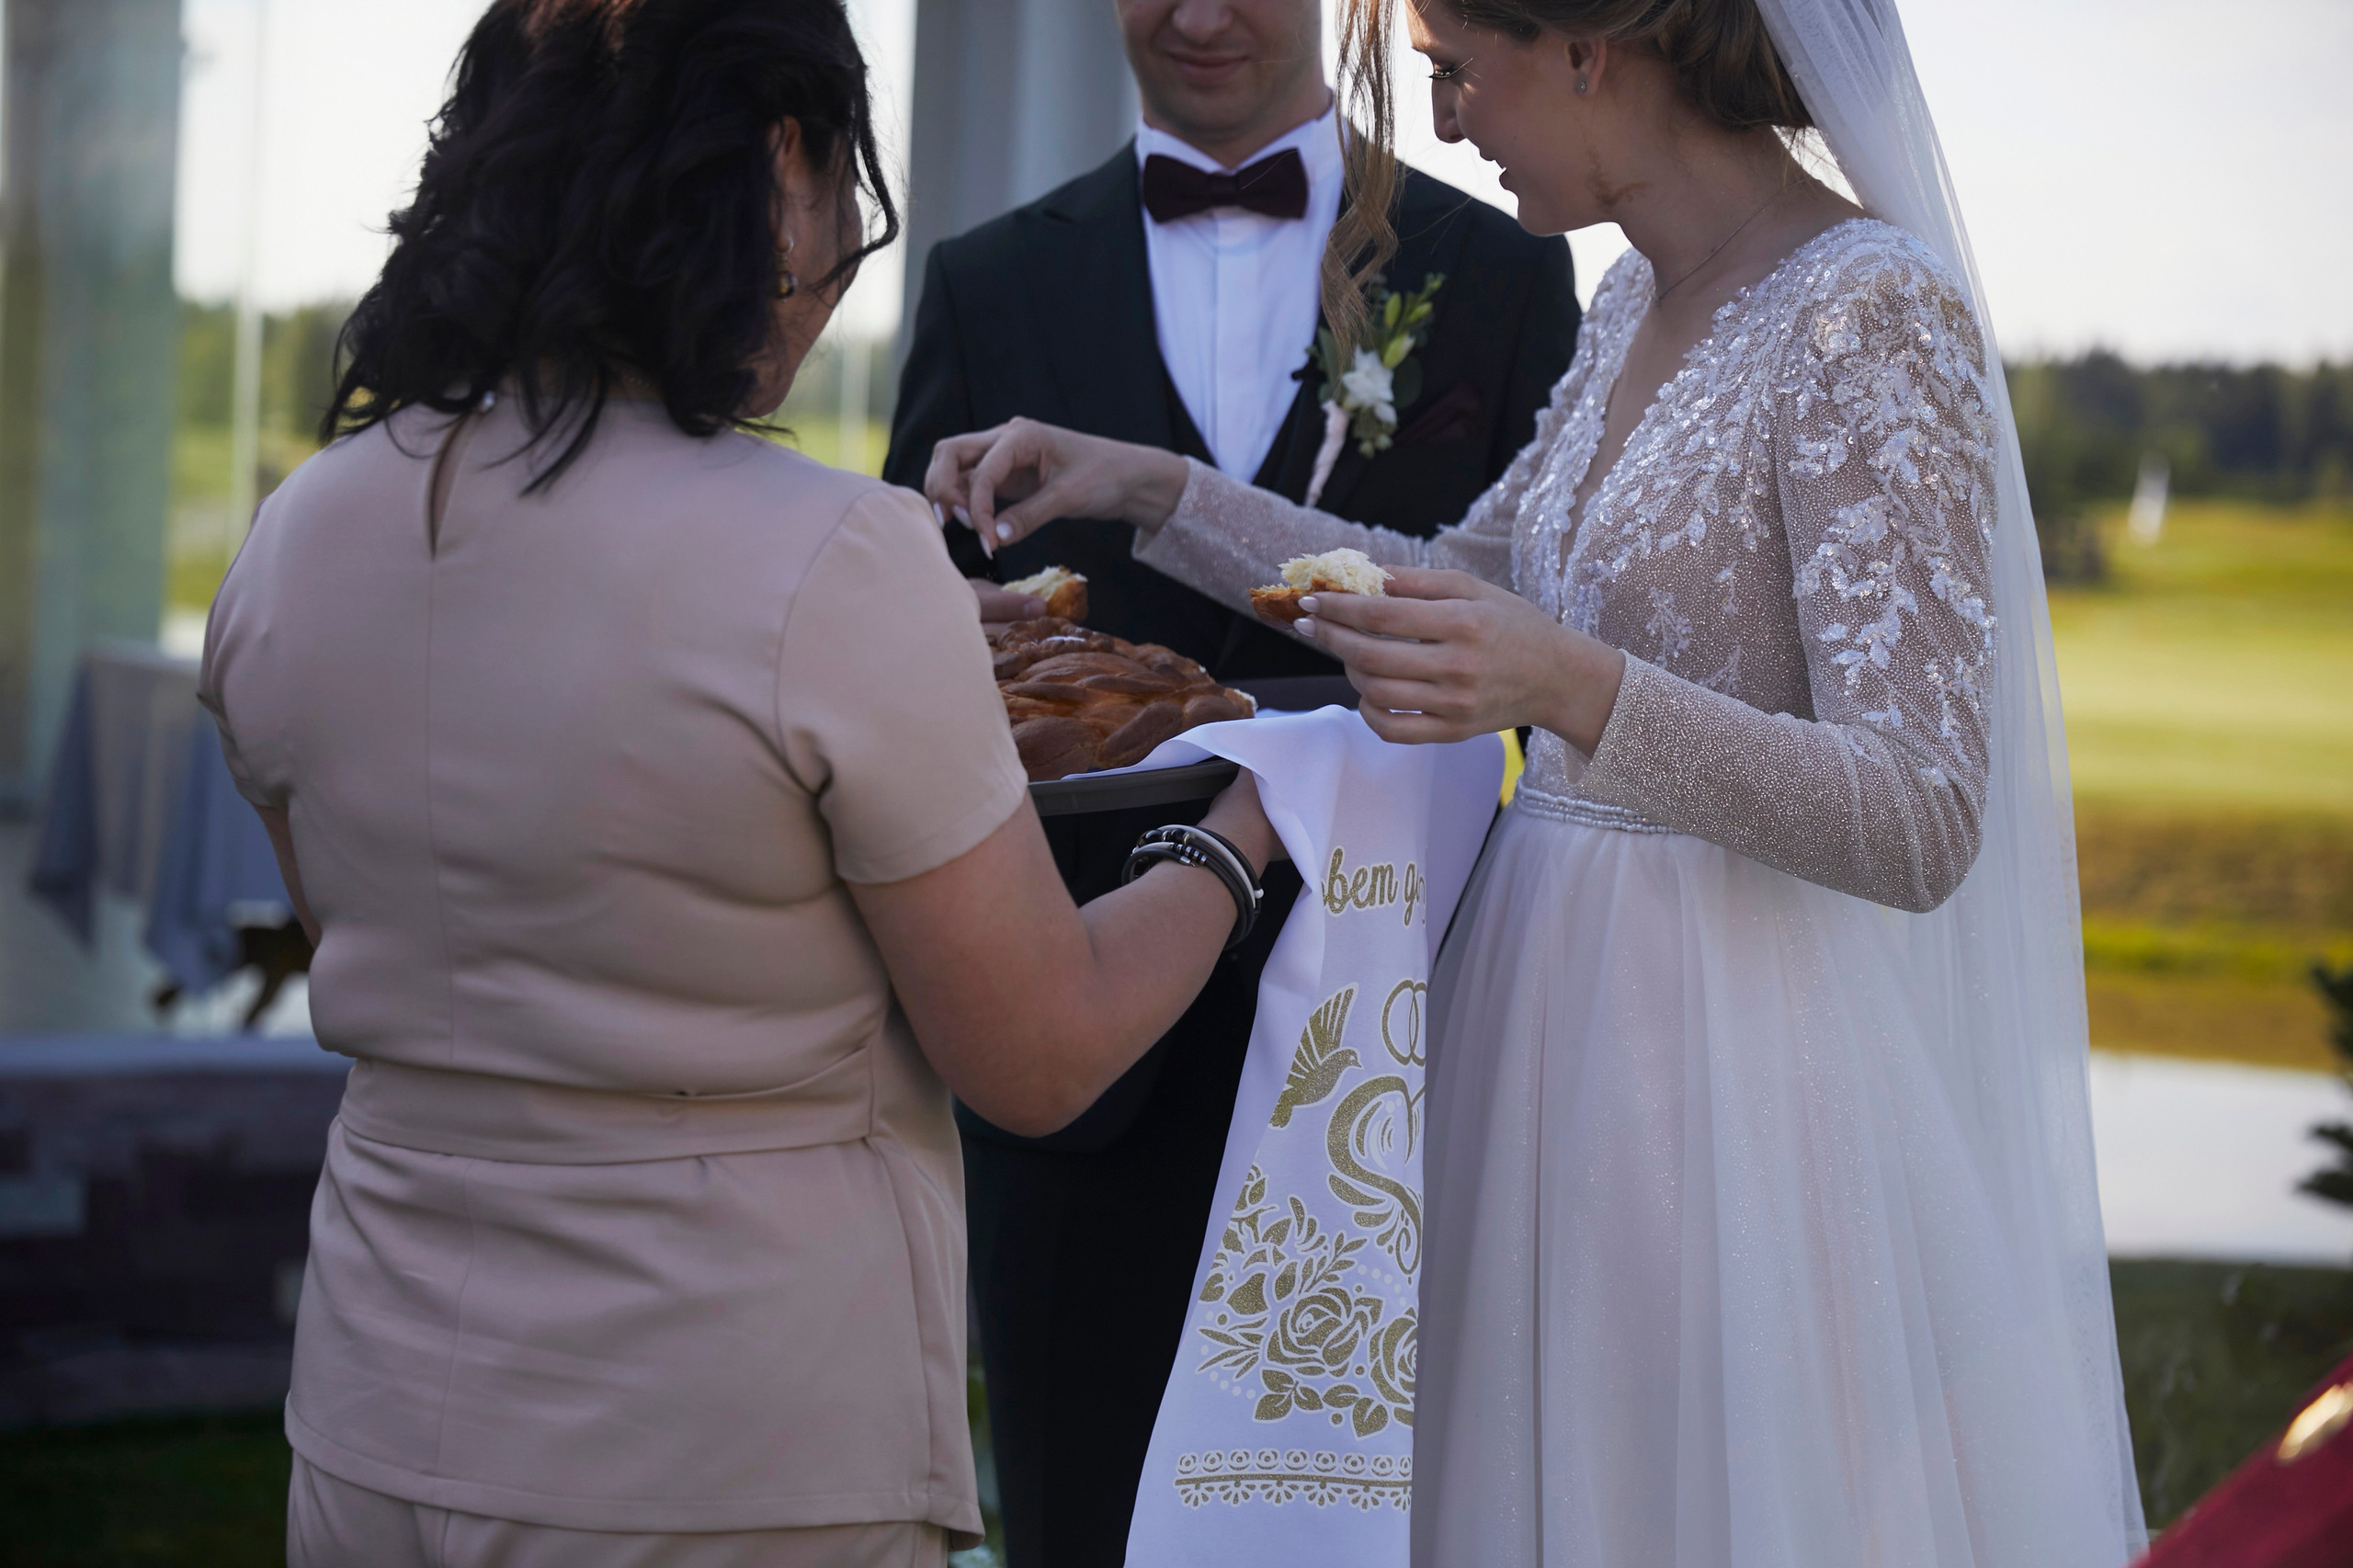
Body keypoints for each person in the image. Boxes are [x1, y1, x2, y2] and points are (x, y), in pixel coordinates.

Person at [926, 0, 2151, 1561]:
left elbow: (1920, 809)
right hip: (1534, 1034)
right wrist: (1147, 488)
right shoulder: (1641, 288)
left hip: (1730, 1091)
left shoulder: (1866, 313)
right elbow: (1442, 578)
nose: (1441, 125)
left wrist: (1571, 686)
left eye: (1455, 70)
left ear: (1587, 45)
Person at [196, 4, 1280, 1564]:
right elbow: (1041, 1053)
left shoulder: (298, 535)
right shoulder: (839, 560)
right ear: (780, 166)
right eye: (842, 187)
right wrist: (1247, 817)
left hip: (376, 1422)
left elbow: (393, 910)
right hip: (724, 1451)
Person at [882, 2, 1578, 1558]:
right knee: (1078, 1512)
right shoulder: (984, 280)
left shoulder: (1508, 258)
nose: (1198, 15)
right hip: (1071, 1037)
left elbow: (1553, 611)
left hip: (1403, 1017)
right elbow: (893, 652)